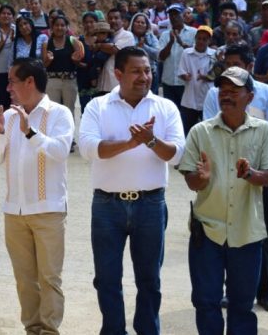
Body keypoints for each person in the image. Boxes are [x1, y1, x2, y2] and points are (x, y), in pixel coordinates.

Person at [78, 46, 185, 335]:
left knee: (150, 279)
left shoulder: (165, 108)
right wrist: (130, 143)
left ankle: (148, 330)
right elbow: (88, 148)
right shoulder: (98, 107)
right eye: (136, 71)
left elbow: (176, 155)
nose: (144, 76)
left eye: (148, 70)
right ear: (118, 74)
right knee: (107, 278)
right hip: (106, 206)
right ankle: (113, 330)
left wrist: (151, 141)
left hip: (150, 205)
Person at [179, 66, 268, 335]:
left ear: (250, 96)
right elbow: (191, 181)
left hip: (247, 232)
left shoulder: (265, 131)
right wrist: (201, 179)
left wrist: (250, 173)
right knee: (205, 301)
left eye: (234, 91)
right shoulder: (200, 131)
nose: (226, 96)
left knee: (243, 305)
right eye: (223, 91)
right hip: (208, 232)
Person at [0, 57, 74, 335]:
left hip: (48, 210)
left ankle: (49, 330)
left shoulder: (59, 113)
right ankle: (32, 328)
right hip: (15, 212)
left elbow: (60, 152)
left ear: (30, 82)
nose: (8, 87)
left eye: (12, 81)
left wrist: (30, 132)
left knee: (49, 278)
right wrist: (0, 134)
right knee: (25, 280)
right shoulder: (10, 116)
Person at [202, 44, 268, 313]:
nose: (230, 70)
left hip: (257, 177)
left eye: (237, 64)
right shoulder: (214, 95)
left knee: (260, 233)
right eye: (227, 64)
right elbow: (207, 133)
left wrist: (258, 171)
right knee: (224, 234)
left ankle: (264, 290)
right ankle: (232, 290)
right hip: (220, 176)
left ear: (250, 67)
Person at [178, 26, 216, 134]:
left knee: (207, 130)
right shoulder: (186, 53)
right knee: (187, 130)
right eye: (199, 38)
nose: (201, 41)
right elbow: (181, 71)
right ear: (195, 38)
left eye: (205, 39)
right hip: (190, 99)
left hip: (207, 98)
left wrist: (206, 77)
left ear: (209, 41)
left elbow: (216, 75)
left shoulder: (214, 55)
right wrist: (185, 76)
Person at [42, 14, 84, 116]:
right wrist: (48, 60)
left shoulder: (73, 41)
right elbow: (44, 64)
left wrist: (75, 59)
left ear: (66, 27)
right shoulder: (47, 43)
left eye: (62, 25)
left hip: (69, 81)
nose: (59, 28)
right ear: (52, 27)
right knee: (52, 111)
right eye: (57, 25)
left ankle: (69, 132)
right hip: (52, 81)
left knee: (69, 111)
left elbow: (78, 62)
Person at [97, 9, 135, 94]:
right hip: (102, 83)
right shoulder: (107, 35)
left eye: (116, 18)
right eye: (110, 18)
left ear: (122, 21)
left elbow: (113, 49)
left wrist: (98, 46)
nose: (113, 21)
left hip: (116, 84)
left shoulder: (127, 35)